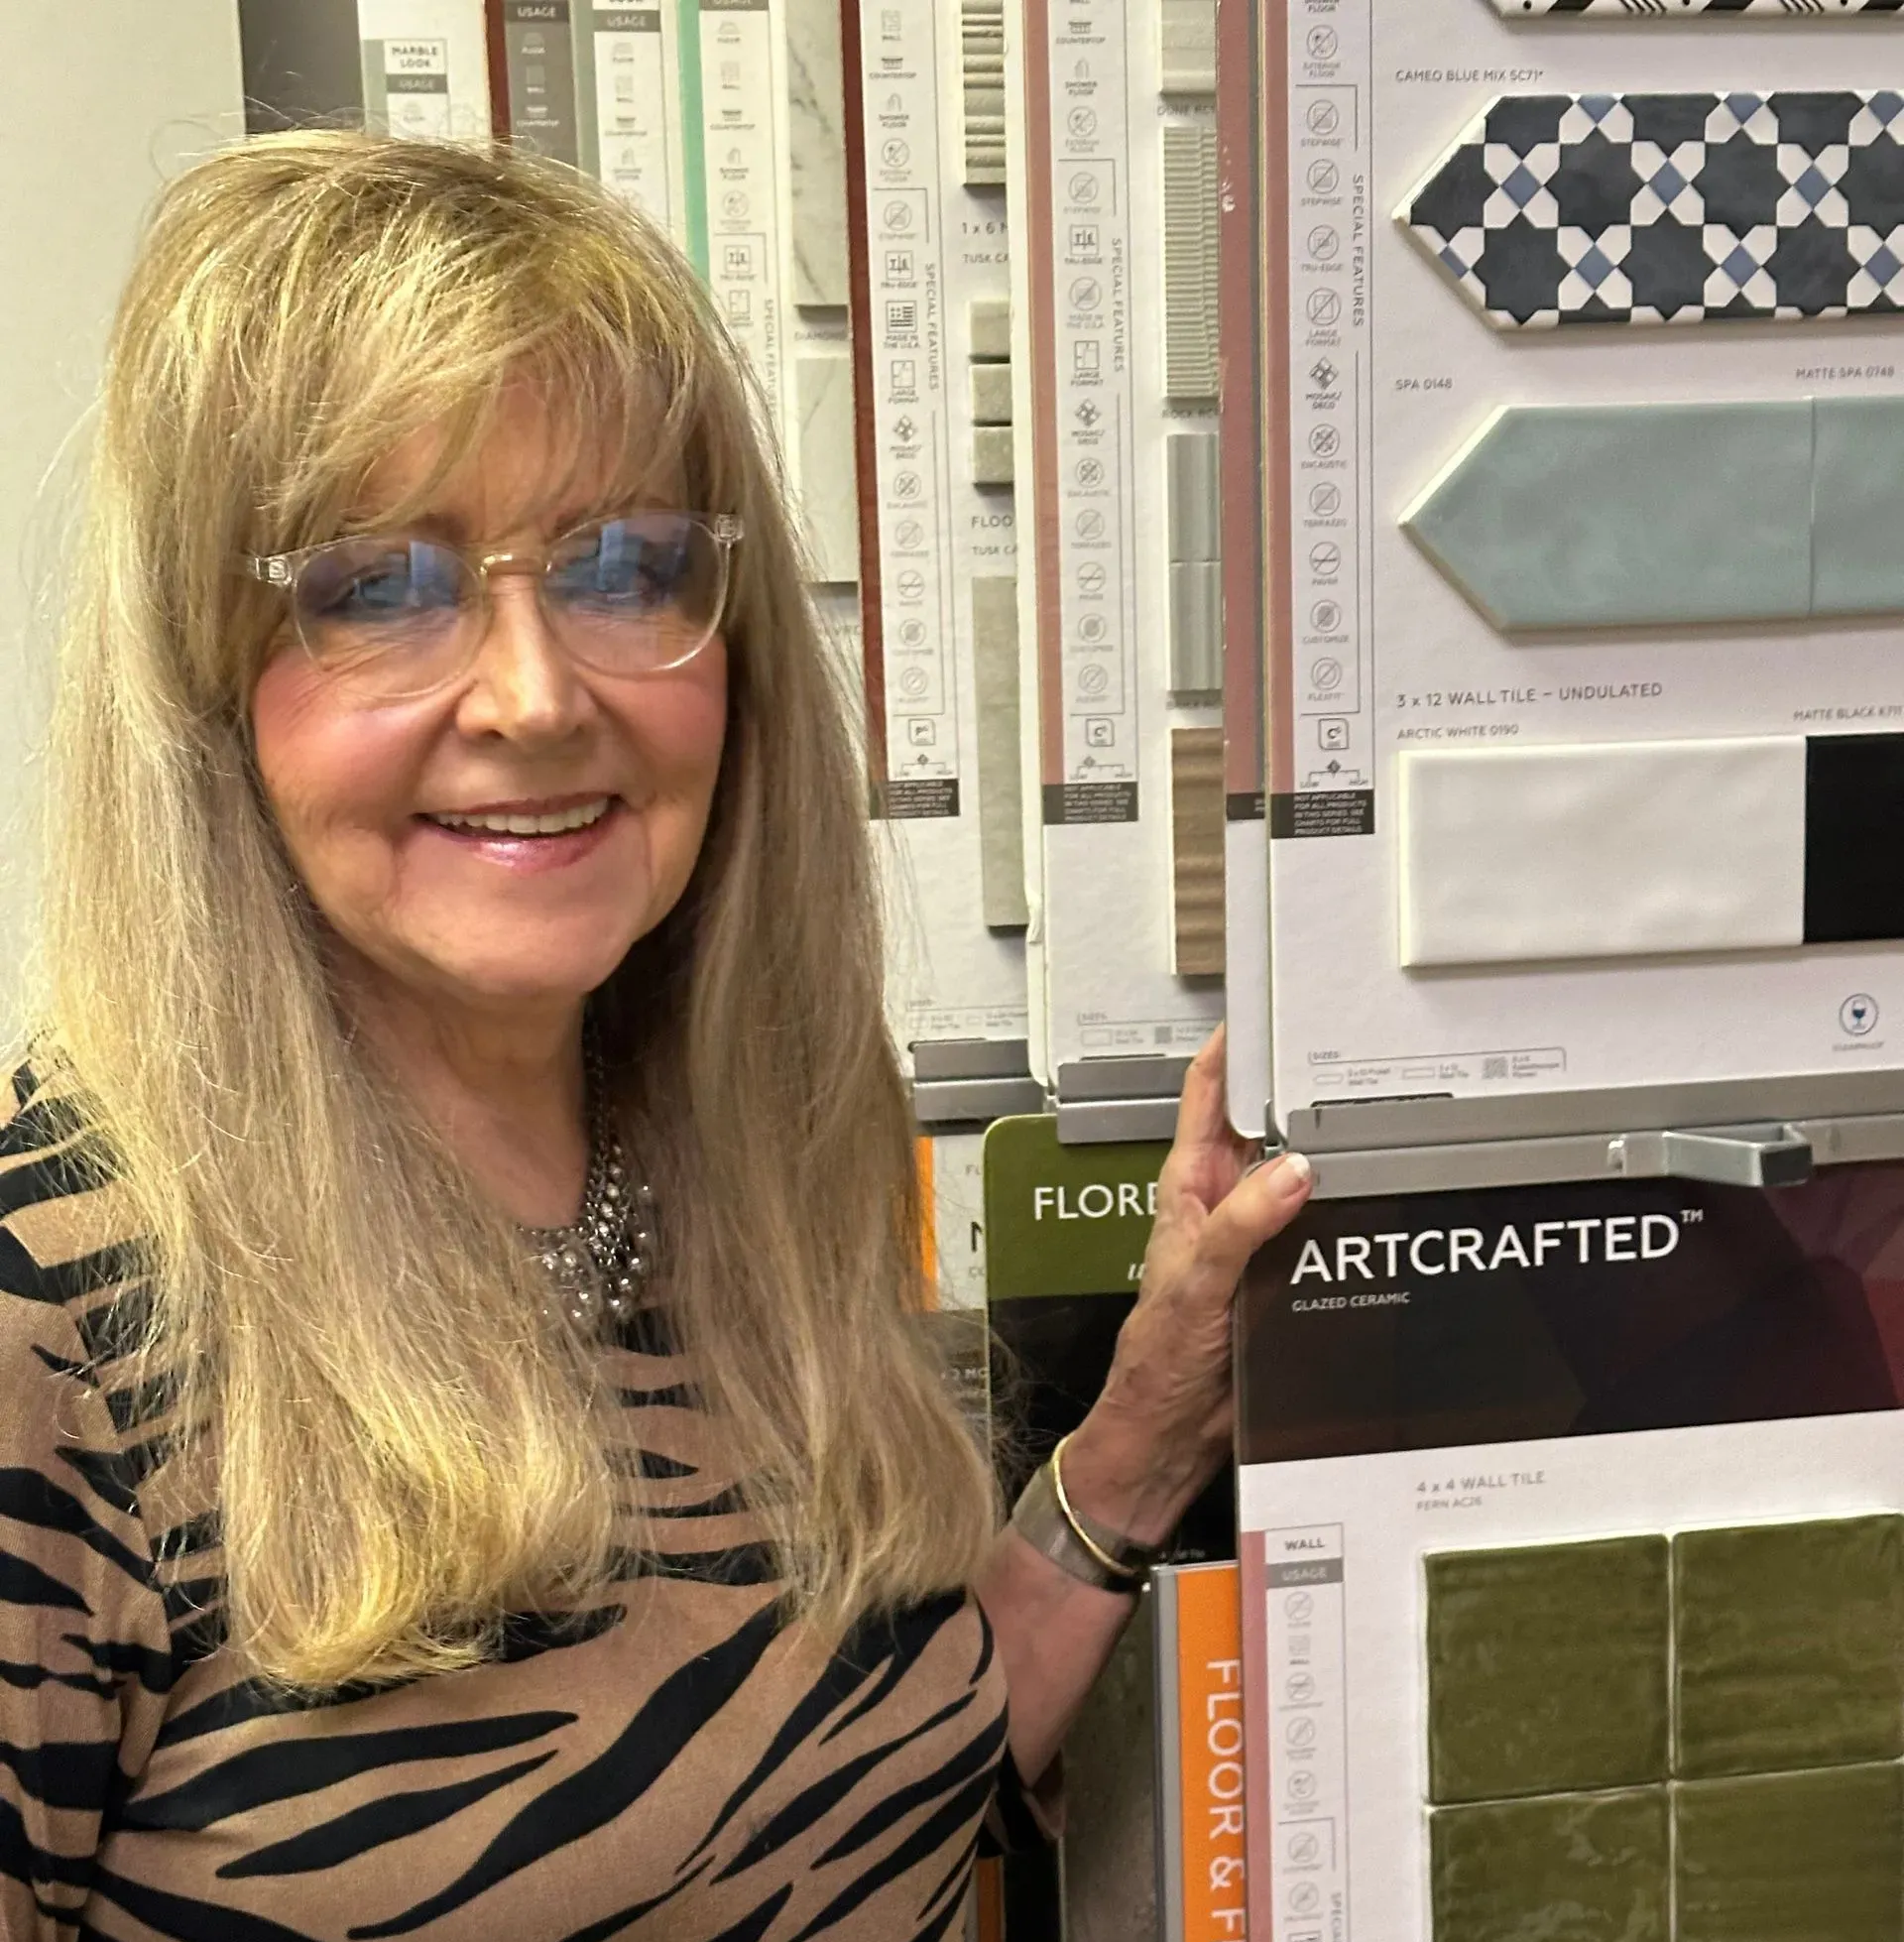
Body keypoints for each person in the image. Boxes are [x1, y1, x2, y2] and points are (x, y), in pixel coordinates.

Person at [0, 133, 1312, 1940]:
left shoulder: (748, 1158)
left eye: (621, 563)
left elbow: (835, 1790)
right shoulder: (53, 1308)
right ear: (205, 681)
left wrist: (1149, 1429)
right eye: (380, 583)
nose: (538, 697)